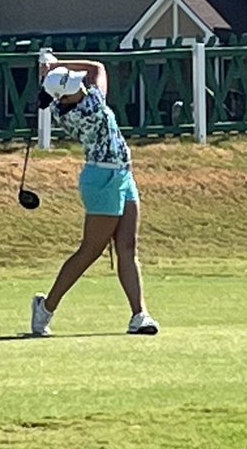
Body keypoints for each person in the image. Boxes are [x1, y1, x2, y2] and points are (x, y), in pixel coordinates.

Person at [29, 55, 160, 337]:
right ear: (65, 97)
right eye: (76, 86)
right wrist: (56, 66)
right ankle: (46, 307)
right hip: (102, 179)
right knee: (91, 250)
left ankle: (140, 315)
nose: (83, 85)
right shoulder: (90, 106)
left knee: (127, 247)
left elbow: (85, 77)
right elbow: (97, 68)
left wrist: (51, 72)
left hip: (122, 175)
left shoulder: (65, 104)